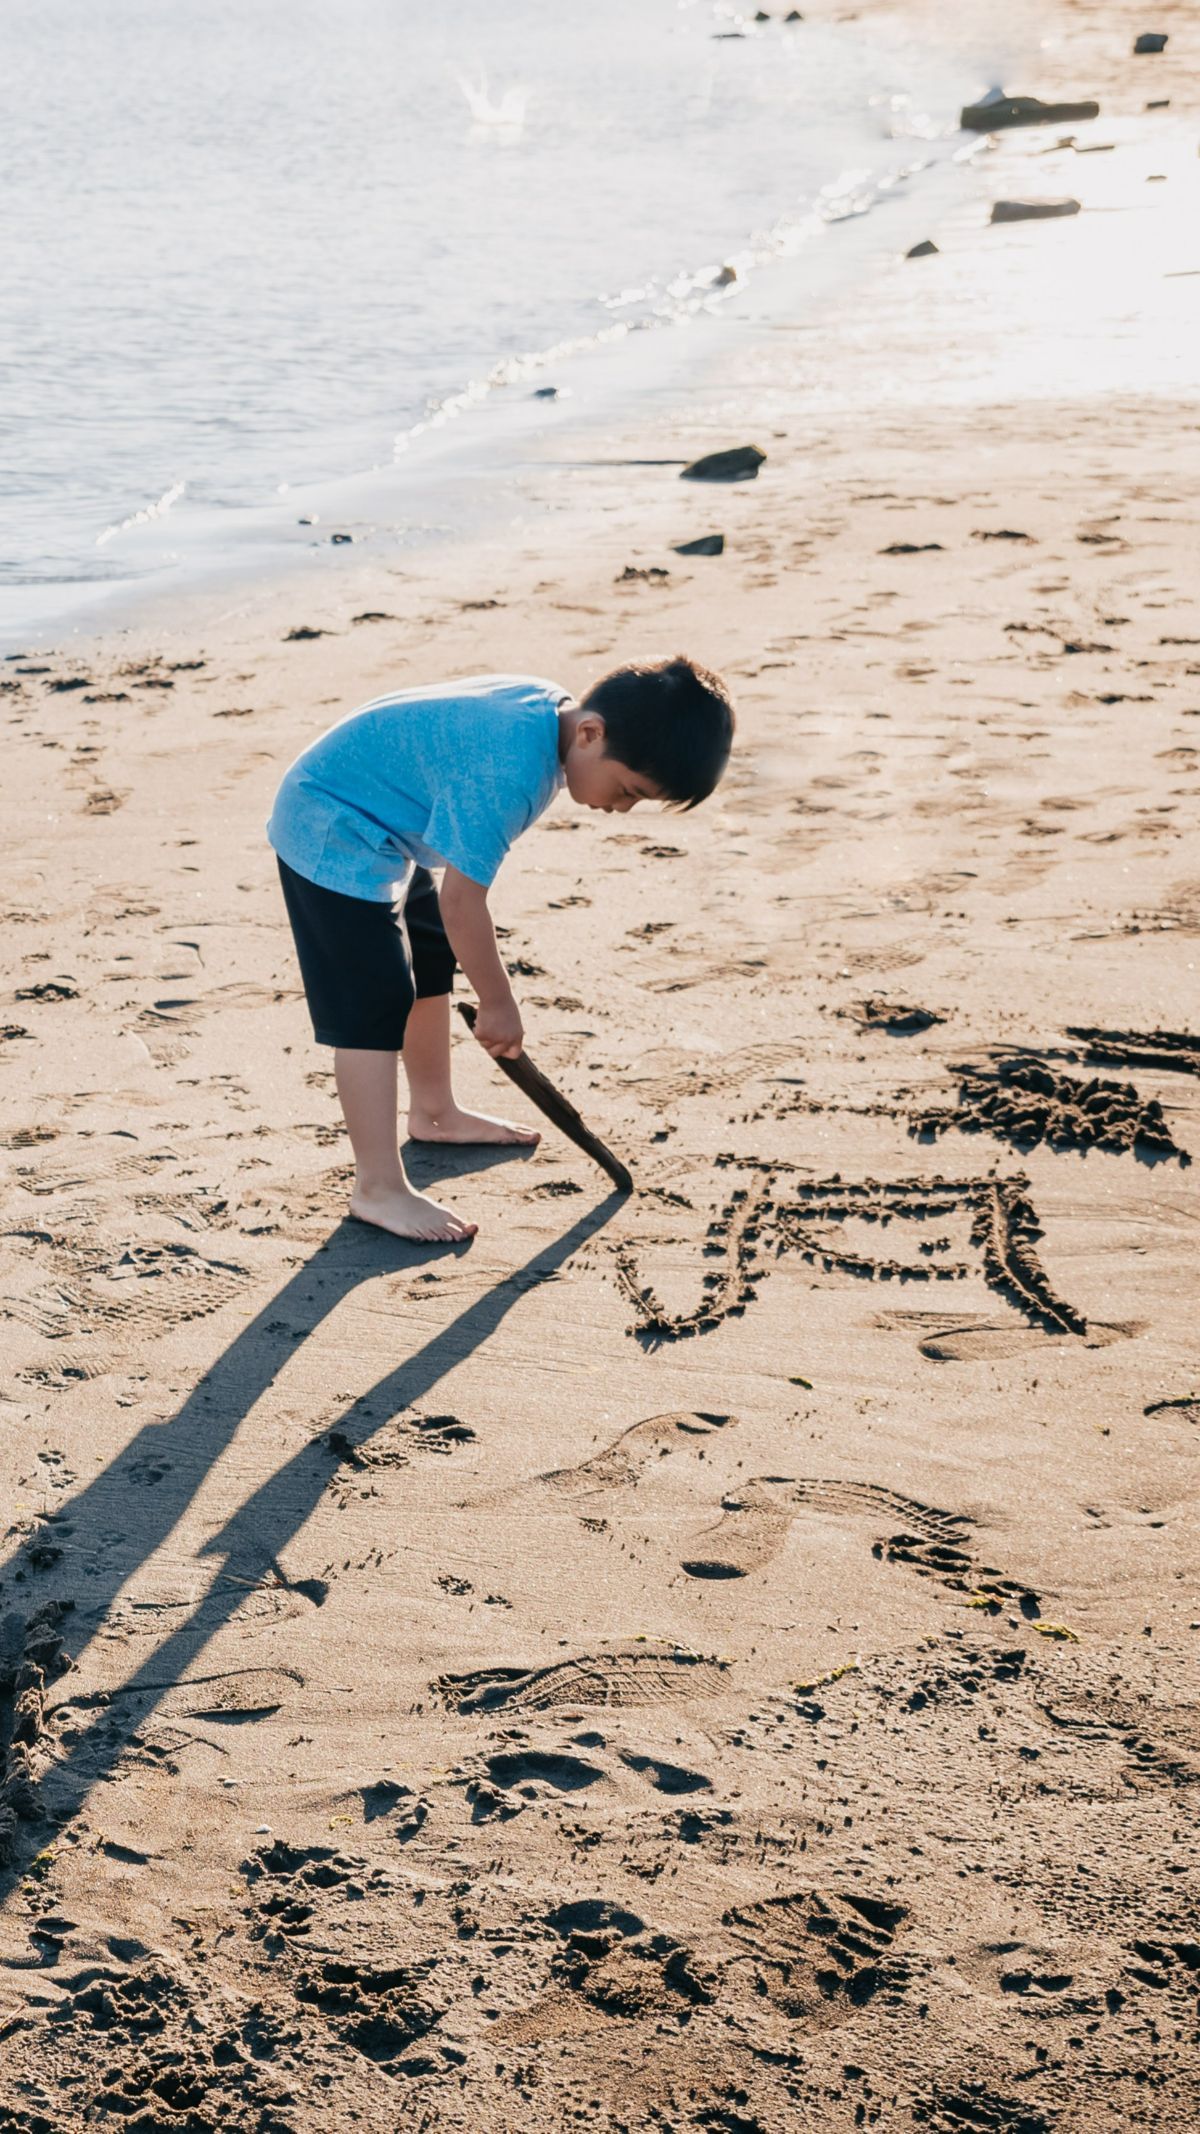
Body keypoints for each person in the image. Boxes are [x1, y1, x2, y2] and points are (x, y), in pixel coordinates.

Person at [266, 655, 735, 1242]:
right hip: (332, 822)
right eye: (627, 791)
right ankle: (378, 1187)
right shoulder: (508, 772)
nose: (621, 809)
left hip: (387, 822)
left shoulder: (551, 715)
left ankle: (434, 1110)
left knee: (430, 955)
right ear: (591, 734)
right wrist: (497, 1002)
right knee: (373, 1002)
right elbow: (462, 902)